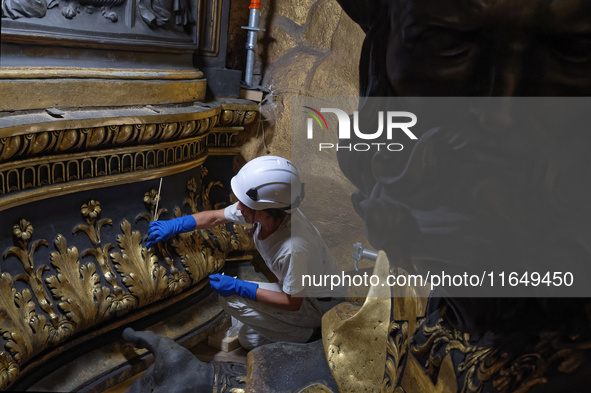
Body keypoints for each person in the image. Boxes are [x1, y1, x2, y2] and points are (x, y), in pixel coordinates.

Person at [146, 155, 342, 349]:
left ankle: (312, 335)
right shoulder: (270, 212)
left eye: (245, 204)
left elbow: (293, 303)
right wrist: (175, 224)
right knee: (249, 340)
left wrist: (239, 287)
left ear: (268, 208)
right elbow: (215, 217)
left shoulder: (293, 247)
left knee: (230, 299)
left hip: (318, 306)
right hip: (301, 293)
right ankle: (298, 333)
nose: (238, 207)